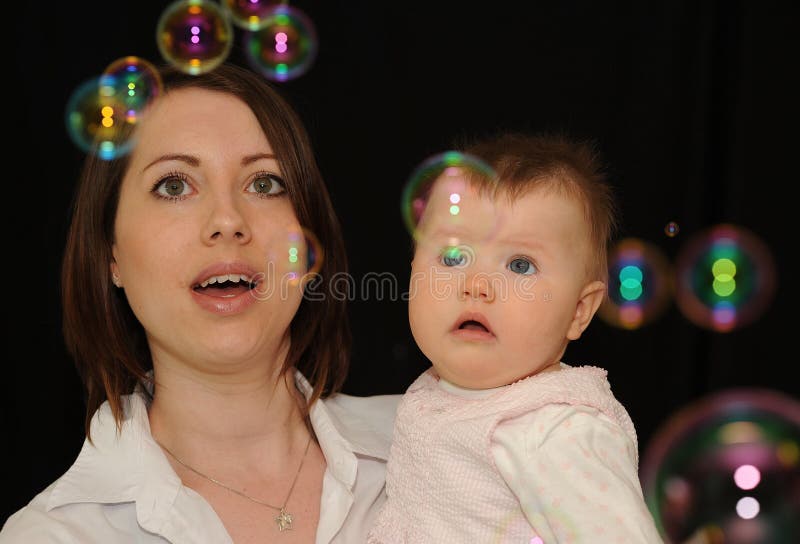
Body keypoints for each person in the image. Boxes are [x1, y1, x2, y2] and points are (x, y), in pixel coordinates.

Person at [1, 62, 399, 543]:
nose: (228, 219)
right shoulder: (54, 535)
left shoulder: (451, 444)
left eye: (265, 183)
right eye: (173, 185)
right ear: (112, 255)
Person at [368, 133, 664, 542]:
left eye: (520, 265)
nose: (477, 285)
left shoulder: (555, 429)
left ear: (578, 311)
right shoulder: (438, 394)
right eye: (453, 257)